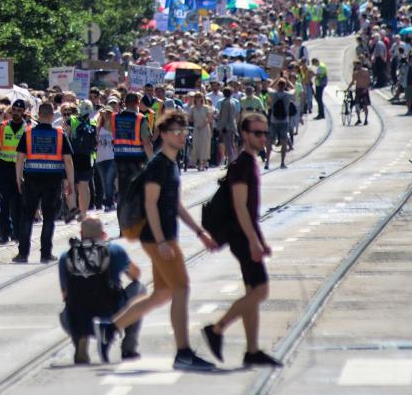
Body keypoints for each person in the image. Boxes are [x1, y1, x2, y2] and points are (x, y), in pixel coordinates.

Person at [106, 113, 220, 372]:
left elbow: (175, 205)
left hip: (164, 237)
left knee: (162, 294)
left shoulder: (171, 163)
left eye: (184, 131)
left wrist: (200, 233)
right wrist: (161, 242)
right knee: (181, 288)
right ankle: (183, 353)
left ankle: (111, 328)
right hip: (158, 238)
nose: (182, 136)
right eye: (176, 132)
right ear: (164, 135)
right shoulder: (158, 164)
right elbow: (150, 204)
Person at [201, 112, 280, 367]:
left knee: (252, 292)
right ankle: (217, 329)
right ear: (245, 135)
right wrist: (253, 242)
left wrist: (260, 239)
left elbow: (250, 210)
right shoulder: (242, 165)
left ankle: (252, 350)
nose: (263, 137)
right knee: (261, 290)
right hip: (239, 236)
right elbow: (240, 207)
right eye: (257, 133)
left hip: (245, 235)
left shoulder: (251, 163)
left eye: (265, 133)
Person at [60, 215, 143, 364]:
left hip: (76, 319)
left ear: (81, 234)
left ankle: (81, 338)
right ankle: (128, 347)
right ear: (103, 234)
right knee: (140, 289)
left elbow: (64, 294)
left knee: (68, 308)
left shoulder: (66, 256)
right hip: (111, 317)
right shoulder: (114, 250)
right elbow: (136, 275)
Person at [14, 102, 74, 264]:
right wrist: (70, 183)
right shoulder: (60, 135)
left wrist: (18, 178)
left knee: (27, 216)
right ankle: (45, 253)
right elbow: (68, 161)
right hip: (53, 180)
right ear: (52, 115)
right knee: (48, 217)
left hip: (32, 179)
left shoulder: (28, 134)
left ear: (38, 115)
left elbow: (19, 158)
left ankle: (23, 254)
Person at [0, 100, 28, 244]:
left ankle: (18, 234)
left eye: (20, 110)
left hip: (20, 169)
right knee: (4, 203)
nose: (17, 113)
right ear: (11, 110)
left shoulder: (28, 128)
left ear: (24, 111)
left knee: (18, 203)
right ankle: (4, 234)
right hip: (3, 167)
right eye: (15, 110)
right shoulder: (2, 127)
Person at [186, 91, 213, 172]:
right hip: (196, 128)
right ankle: (199, 163)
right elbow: (189, 118)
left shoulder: (206, 107)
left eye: (199, 97)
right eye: (196, 97)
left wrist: (203, 125)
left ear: (202, 98)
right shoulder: (192, 108)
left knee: (204, 145)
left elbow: (209, 118)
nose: (198, 98)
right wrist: (190, 118)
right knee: (196, 145)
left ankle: (204, 164)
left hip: (204, 128)